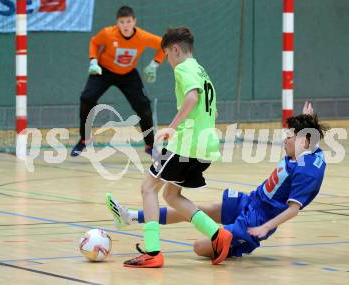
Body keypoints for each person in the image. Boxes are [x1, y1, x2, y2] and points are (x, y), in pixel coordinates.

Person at [107, 102, 328, 259]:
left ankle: (232, 246)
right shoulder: (306, 149)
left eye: (289, 137)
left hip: (258, 220)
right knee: (199, 209)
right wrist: (307, 119)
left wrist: (265, 227)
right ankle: (132, 216)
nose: (284, 140)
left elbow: (293, 210)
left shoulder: (308, 171)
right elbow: (310, 140)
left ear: (303, 141)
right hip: (252, 201)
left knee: (198, 248)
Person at [112, 27, 233, 268]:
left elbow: (192, 98)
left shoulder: (183, 68)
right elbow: (213, 109)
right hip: (206, 147)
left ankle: (152, 251)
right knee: (170, 194)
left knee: (148, 188)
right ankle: (218, 235)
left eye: (167, 54)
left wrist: (172, 127)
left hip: (185, 145)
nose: (167, 60)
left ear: (175, 50)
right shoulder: (201, 70)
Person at [71, 5, 165, 157]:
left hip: (128, 74)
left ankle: (150, 145)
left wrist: (154, 65)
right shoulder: (108, 33)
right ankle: (84, 139)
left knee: (144, 107)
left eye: (128, 22)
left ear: (135, 21)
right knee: (86, 98)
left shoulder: (143, 36)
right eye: (122, 22)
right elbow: (94, 42)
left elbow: (163, 45)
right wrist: (93, 61)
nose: (125, 26)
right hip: (103, 71)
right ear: (117, 23)